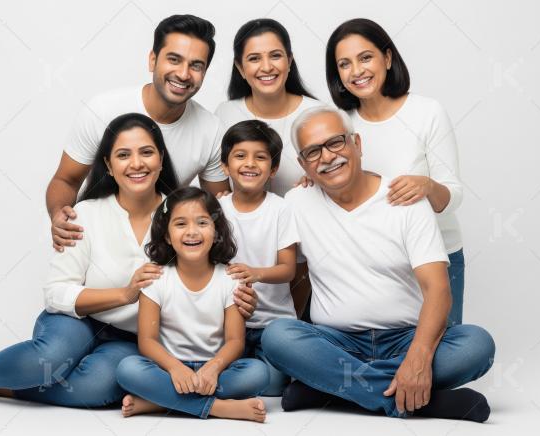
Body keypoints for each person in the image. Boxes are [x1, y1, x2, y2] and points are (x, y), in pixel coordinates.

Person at [0, 113, 177, 406]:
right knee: (48, 357)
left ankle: (4, 386)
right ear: (108, 165)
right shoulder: (86, 214)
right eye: (123, 155)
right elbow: (56, 293)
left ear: (161, 158)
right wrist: (124, 294)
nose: (136, 164)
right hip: (77, 320)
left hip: (133, 338)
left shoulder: (182, 216)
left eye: (146, 152)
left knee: (96, 387)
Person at [262, 106, 495, 422]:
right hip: (337, 342)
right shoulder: (296, 203)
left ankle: (332, 390)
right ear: (303, 164)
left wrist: (418, 358)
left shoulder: (404, 199)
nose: (327, 157)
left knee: (477, 345)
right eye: (313, 152)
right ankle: (419, 402)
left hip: (406, 338)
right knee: (277, 337)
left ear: (356, 144)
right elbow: (291, 273)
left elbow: (438, 288)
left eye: (335, 143)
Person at [48, 14, 231, 253]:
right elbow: (65, 180)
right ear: (152, 60)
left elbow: (214, 208)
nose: (184, 74)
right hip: (95, 246)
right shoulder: (102, 110)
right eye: (174, 59)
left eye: (196, 65)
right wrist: (59, 216)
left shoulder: (211, 129)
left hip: (161, 251)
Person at [326, 18, 467, 324]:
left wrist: (427, 186)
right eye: (345, 64)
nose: (357, 71)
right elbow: (338, 186)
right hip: (373, 263)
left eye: (366, 58)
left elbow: (452, 197)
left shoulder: (427, 112)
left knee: (442, 357)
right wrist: (316, 179)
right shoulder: (341, 122)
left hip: (437, 258)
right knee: (393, 358)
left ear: (387, 58)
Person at [116, 187, 269, 422]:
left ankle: (159, 402)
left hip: (216, 370)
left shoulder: (231, 279)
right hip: (169, 370)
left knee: (257, 374)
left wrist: (214, 367)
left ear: (216, 231)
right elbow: (147, 341)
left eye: (202, 223)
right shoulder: (155, 278)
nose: (192, 232)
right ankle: (219, 407)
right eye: (180, 224)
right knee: (128, 369)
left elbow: (236, 342)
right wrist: (176, 368)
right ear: (167, 235)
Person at [217, 120, 300, 396]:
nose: (250, 164)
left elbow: (288, 269)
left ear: (273, 169)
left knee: (272, 387)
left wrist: (256, 273)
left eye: (260, 157)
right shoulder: (215, 210)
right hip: (226, 324)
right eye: (240, 156)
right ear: (225, 166)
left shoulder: (281, 209)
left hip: (272, 324)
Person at [214, 18, 323, 197]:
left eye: (275, 56)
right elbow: (219, 190)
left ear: (289, 61)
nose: (266, 67)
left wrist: (321, 182)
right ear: (240, 68)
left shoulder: (318, 114)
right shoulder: (225, 113)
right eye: (254, 58)